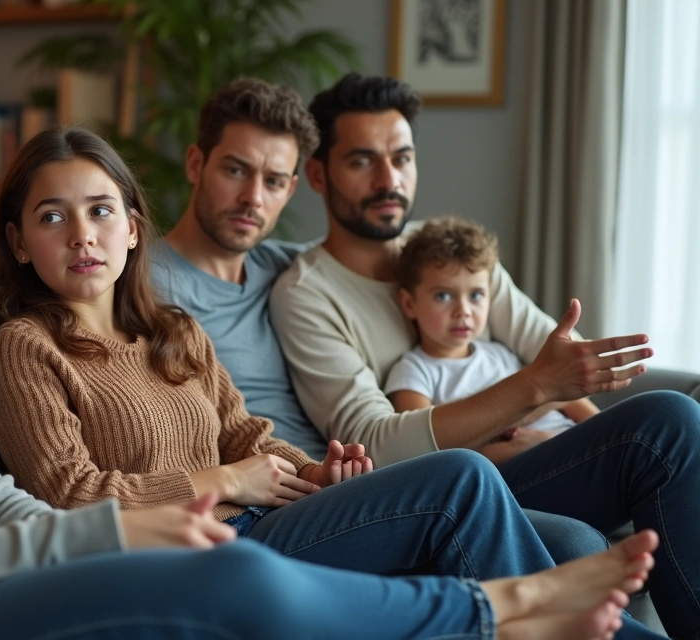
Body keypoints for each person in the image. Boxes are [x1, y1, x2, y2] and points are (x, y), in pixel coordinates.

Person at [0, 24, 656, 640]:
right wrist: (112, 529)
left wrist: (153, 517)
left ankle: (506, 608)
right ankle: (496, 609)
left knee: (425, 501)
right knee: (225, 577)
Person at [0, 124, 667, 640]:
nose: (81, 234)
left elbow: (247, 435)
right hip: (203, 550)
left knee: (471, 483)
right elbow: (65, 497)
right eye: (52, 216)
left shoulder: (175, 331)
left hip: (267, 517)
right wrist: (224, 482)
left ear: (131, 230)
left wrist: (316, 474)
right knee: (459, 478)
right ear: (19, 242)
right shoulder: (28, 347)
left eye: (100, 210)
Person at [267, 72, 700, 638]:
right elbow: (375, 441)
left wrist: (568, 414)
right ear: (318, 175)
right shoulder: (307, 294)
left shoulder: (445, 253)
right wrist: (532, 392)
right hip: (452, 485)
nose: (388, 179)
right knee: (655, 432)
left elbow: (552, 351)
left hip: (532, 459)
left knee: (670, 418)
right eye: (362, 161)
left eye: (402, 158)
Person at [153, 76, 612, 568]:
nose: (252, 199)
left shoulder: (278, 263)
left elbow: (354, 258)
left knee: (575, 542)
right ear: (197, 164)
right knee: (466, 476)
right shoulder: (143, 290)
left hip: (341, 477)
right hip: (262, 505)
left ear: (291, 187)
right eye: (235, 170)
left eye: (271, 182)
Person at [385, 217, 599, 465]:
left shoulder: (501, 354)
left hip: (575, 446)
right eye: (443, 296)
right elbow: (425, 454)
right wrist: (531, 448)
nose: (463, 310)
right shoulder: (413, 372)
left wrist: (607, 430)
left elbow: (569, 400)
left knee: (650, 414)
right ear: (410, 303)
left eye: (476, 295)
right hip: (526, 466)